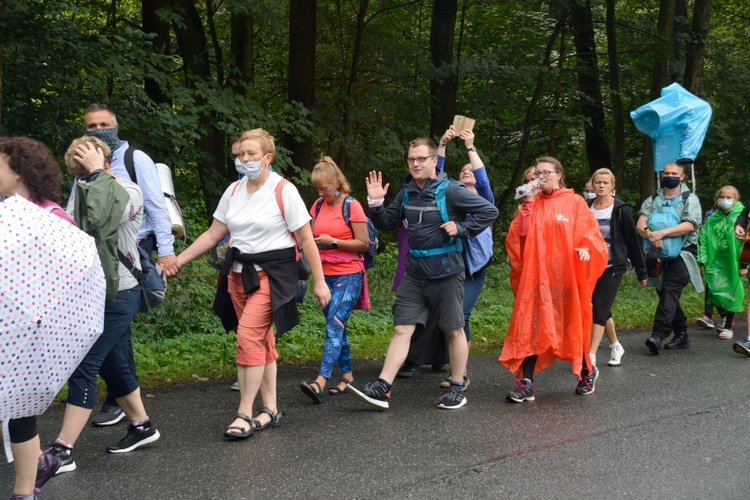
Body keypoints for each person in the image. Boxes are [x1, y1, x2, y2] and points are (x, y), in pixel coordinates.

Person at [167, 128, 330, 439]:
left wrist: (320, 283)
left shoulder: (284, 190)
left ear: (267, 158)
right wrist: (179, 259)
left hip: (273, 275)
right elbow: (213, 234)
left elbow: (306, 240)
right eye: (241, 154)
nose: (244, 159)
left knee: (248, 339)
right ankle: (269, 409)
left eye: (251, 154)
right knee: (261, 342)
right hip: (238, 275)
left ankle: (243, 412)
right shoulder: (233, 191)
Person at [39, 136, 160, 479]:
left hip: (119, 293)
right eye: (76, 172)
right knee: (111, 361)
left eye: (87, 170)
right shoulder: (83, 188)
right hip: (90, 291)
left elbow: (101, 224)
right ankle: (141, 426)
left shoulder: (128, 191)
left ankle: (64, 450)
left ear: (106, 166)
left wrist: (96, 175)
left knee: (84, 364)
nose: (81, 177)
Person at [348, 137, 498, 410]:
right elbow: (385, 223)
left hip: (447, 273)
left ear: (433, 161)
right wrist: (375, 203)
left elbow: (489, 210)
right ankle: (383, 387)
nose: (415, 164)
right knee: (402, 327)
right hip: (415, 274)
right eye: (411, 159)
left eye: (421, 159)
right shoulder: (406, 192)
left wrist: (462, 229)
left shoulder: (451, 190)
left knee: (454, 329)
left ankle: (456, 387)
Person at [83, 103, 178, 426]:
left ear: (116, 125)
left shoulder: (134, 159)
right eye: (92, 126)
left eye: (103, 124)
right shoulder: (83, 161)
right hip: (97, 255)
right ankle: (123, 397)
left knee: (117, 324)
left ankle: (119, 398)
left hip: (134, 250)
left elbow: (155, 206)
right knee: (114, 325)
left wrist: (166, 252)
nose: (98, 130)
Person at [0, 137, 76, 499]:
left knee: (19, 410)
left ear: (18, 172)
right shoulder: (3, 211)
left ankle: (23, 491)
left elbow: (66, 279)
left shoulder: (51, 218)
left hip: (28, 330)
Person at [501, 156, 607, 402]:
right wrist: (527, 204)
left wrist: (585, 248)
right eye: (537, 173)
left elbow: (589, 234)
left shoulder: (575, 202)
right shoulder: (532, 203)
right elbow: (521, 238)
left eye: (546, 172)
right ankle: (526, 382)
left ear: (559, 175)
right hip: (537, 280)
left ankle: (585, 373)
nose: (541, 177)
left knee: (572, 325)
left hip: (567, 279)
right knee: (532, 327)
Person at [299, 157, 369, 402]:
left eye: (324, 188)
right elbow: (307, 235)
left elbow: (364, 243)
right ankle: (347, 376)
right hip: (324, 276)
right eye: (317, 189)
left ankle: (320, 381)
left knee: (333, 326)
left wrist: (335, 242)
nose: (321, 193)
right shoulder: (317, 206)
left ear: (337, 182)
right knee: (337, 327)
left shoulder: (352, 206)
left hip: (349, 274)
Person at [636, 162, 702, 354]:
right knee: (664, 292)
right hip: (658, 253)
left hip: (684, 253)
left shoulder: (690, 199)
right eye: (666, 173)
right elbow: (641, 224)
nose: (669, 176)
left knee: (670, 289)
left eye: (674, 173)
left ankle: (658, 334)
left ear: (682, 177)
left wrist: (662, 233)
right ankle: (681, 335)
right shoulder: (653, 199)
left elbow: (690, 225)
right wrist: (651, 235)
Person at [586, 169, 648, 369]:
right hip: (589, 267)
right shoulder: (586, 207)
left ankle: (591, 356)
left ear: (612, 186)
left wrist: (642, 271)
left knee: (598, 309)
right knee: (601, 308)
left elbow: (632, 240)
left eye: (605, 182)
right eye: (598, 182)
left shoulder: (620, 209)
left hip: (613, 266)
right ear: (593, 185)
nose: (601, 186)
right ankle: (616, 345)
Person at [697, 186, 745, 340]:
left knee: (733, 291)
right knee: (713, 288)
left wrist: (744, 263)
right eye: (722, 197)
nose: (725, 200)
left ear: (735, 199)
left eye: (729, 197)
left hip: (735, 260)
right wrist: (702, 261)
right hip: (715, 261)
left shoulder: (742, 217)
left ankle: (728, 326)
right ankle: (723, 314)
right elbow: (703, 240)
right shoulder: (713, 219)